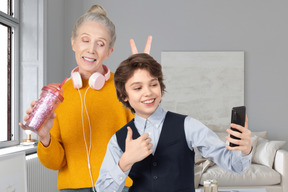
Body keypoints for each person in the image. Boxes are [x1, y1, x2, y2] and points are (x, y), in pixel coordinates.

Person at [19, 4, 152, 192]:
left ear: (109, 52)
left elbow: (150, 134)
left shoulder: (125, 88)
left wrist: (144, 84)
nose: (91, 49)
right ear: (73, 43)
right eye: (85, 40)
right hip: (73, 189)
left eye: (100, 44)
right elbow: (54, 163)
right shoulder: (57, 97)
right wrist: (44, 136)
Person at [95, 53, 252, 192]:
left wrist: (244, 151)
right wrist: (125, 162)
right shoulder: (118, 139)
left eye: (153, 84)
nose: (148, 92)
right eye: (138, 88)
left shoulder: (188, 126)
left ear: (161, 86)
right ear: (124, 96)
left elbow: (236, 167)